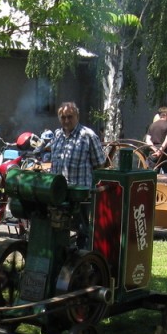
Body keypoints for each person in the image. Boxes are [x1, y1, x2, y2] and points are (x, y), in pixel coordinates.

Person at [44, 101, 109, 249]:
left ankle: (83, 265)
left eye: (70, 117)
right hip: (59, 194)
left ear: (77, 116)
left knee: (83, 230)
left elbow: (100, 165)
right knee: (58, 227)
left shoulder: (88, 136)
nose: (66, 120)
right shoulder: (58, 135)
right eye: (63, 117)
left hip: (80, 196)